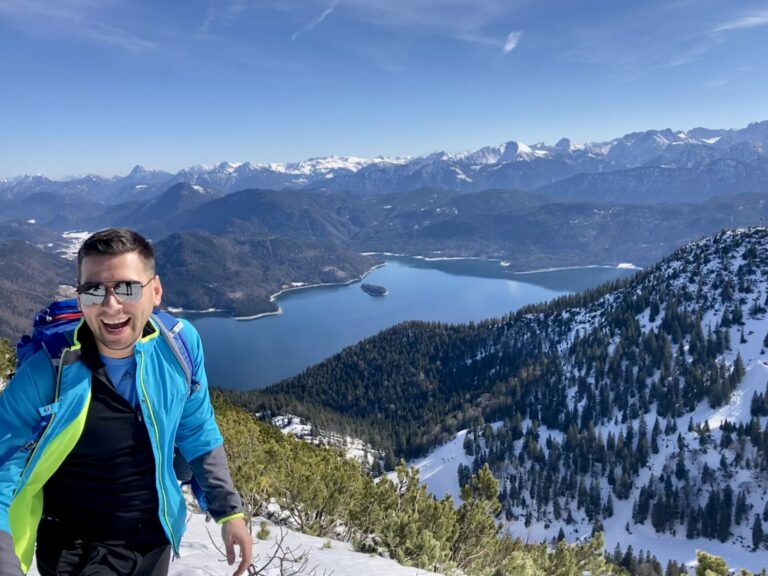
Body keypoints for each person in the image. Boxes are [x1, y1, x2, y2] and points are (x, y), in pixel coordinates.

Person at [0, 228, 253, 576]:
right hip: (78, 549)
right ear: (79, 299)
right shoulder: (48, 373)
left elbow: (196, 427)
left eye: (127, 288)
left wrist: (229, 511)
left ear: (156, 291)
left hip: (154, 537)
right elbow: (4, 467)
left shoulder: (179, 348)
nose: (111, 305)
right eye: (93, 291)